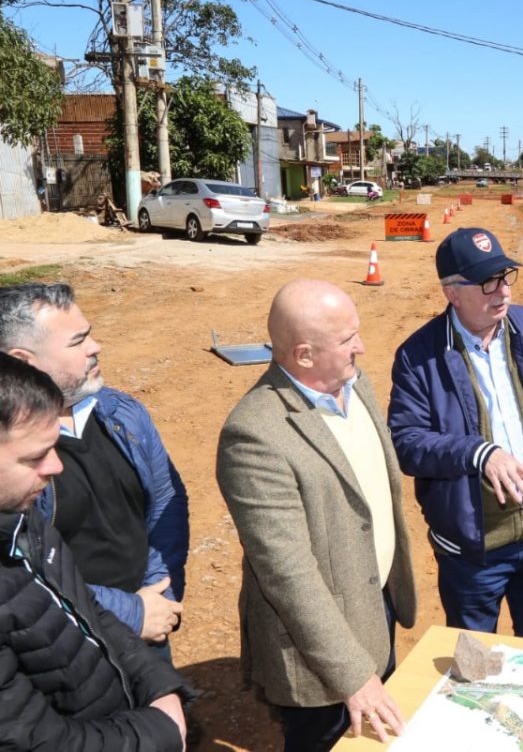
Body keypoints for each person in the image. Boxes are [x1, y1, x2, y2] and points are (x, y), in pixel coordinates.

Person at [217, 280, 418, 751]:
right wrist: (353, 677)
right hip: (318, 657)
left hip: (376, 607)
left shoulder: (354, 382)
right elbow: (288, 575)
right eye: (348, 339)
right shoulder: (255, 436)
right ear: (304, 355)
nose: (362, 348)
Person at [388, 227, 523, 642]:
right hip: (473, 548)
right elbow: (406, 442)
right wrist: (478, 452)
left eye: (505, 276)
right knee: (477, 661)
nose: (503, 292)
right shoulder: (418, 355)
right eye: (487, 282)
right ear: (451, 292)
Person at [0, 351, 188, 750]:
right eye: (34, 456)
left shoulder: (23, 518)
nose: (56, 467)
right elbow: (31, 740)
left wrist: (157, 687)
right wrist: (160, 732)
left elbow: (86, 609)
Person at [0, 283, 189, 648]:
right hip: (61, 644)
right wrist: (128, 613)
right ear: (23, 361)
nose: (95, 347)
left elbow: (166, 501)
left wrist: (159, 592)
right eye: (77, 342)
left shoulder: (123, 413)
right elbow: (20, 568)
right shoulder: (10, 454)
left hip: (148, 625)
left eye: (89, 335)